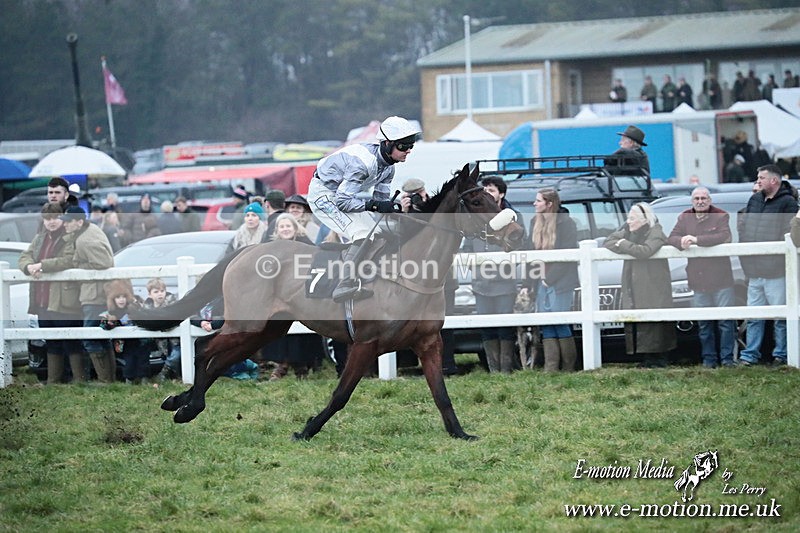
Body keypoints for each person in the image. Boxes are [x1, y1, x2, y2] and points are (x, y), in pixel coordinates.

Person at [307, 115, 420, 303]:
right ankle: (344, 283)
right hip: (323, 196)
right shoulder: (363, 164)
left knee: (387, 228)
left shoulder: (389, 168)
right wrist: (375, 205)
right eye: (402, 146)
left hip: (344, 195)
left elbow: (381, 203)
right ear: (386, 144)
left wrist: (396, 210)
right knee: (362, 232)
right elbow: (344, 202)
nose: (407, 150)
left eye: (411, 145)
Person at [667, 187, 736, 368]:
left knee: (726, 322)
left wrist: (696, 240)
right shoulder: (684, 217)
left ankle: (727, 360)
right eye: (696, 198)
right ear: (692, 201)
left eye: (703, 198)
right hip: (698, 279)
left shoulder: (721, 215)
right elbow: (672, 237)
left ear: (710, 200)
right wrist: (681, 242)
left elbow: (723, 236)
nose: (700, 201)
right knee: (704, 324)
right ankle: (709, 360)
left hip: (721, 278)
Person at [397, 177, 459, 376]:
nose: (417, 198)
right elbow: (399, 240)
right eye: (412, 195)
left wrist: (428, 204)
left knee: (443, 324)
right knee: (413, 325)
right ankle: (419, 365)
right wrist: (404, 212)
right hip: (413, 280)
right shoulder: (402, 213)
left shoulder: (439, 210)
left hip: (441, 279)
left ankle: (447, 365)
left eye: (420, 192)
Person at [604, 202, 676, 367]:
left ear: (644, 219)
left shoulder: (656, 232)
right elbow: (609, 241)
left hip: (654, 284)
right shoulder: (629, 231)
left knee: (656, 322)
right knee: (640, 320)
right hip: (634, 284)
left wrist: (623, 244)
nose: (629, 221)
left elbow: (645, 251)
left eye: (632, 218)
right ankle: (646, 359)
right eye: (628, 218)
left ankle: (659, 359)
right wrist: (625, 244)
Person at [19, 203, 84, 384]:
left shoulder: (70, 237)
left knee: (72, 340)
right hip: (42, 298)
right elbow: (25, 256)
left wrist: (42, 265)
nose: (51, 222)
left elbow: (69, 260)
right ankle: (54, 381)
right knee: (51, 340)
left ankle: (79, 380)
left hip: (65, 298)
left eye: (55, 217)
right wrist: (28, 266)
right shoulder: (40, 238)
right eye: (47, 219)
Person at [737, 164, 796, 367]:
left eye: (761, 177)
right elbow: (744, 230)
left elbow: (789, 236)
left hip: (776, 270)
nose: (758, 181)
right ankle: (749, 355)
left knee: (780, 316)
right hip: (754, 270)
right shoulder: (754, 200)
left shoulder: (788, 203)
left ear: (774, 180)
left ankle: (782, 355)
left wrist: (775, 261)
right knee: (754, 316)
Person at [462, 175, 519, 373]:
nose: (488, 194)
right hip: (481, 284)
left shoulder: (512, 217)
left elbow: (520, 244)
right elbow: (467, 246)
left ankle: (506, 369)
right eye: (485, 191)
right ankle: (494, 369)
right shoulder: (476, 218)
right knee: (486, 328)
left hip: (504, 283)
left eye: (492, 190)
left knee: (505, 327)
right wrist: (472, 266)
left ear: (501, 194)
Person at [518, 189, 579, 372]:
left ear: (549, 203)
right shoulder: (534, 222)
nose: (534, 204)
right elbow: (530, 256)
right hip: (539, 280)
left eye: (538, 201)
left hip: (561, 281)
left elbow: (568, 256)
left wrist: (549, 280)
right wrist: (527, 284)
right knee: (546, 323)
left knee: (560, 322)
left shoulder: (567, 224)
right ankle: (551, 368)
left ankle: (568, 368)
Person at [61, 205, 116, 383]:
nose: (65, 225)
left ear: (79, 222)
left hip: (94, 294)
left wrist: (78, 266)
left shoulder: (85, 240)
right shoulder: (90, 230)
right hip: (99, 293)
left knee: (90, 338)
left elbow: (104, 262)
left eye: (68, 222)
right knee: (102, 337)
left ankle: (105, 379)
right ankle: (109, 378)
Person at [99, 279, 149, 384]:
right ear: (112, 299)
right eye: (117, 297)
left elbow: (144, 316)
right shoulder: (111, 312)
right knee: (129, 361)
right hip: (125, 343)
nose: (121, 300)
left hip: (140, 340)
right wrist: (111, 322)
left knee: (143, 360)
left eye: (123, 296)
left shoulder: (134, 307)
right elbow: (104, 325)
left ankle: (144, 379)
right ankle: (129, 380)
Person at [142, 278, 180, 381]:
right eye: (156, 292)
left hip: (176, 337)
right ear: (150, 294)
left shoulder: (172, 303)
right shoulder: (147, 308)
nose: (160, 294)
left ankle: (163, 374)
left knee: (176, 355)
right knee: (167, 355)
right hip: (160, 339)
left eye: (162, 291)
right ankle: (174, 377)